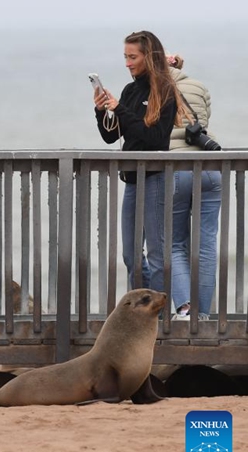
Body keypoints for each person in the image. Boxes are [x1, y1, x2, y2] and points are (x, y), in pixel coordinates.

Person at [93, 31, 183, 294]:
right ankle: (141, 312)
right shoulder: (130, 91)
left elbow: (155, 138)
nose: (127, 63)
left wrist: (120, 109)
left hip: (156, 177)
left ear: (148, 57)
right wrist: (101, 111)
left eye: (133, 57)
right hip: (132, 179)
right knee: (131, 256)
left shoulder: (164, 90)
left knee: (157, 256)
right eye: (125, 57)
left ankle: (158, 319)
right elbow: (111, 136)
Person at [166, 54, 222, 320]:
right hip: (211, 168)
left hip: (178, 169)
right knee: (207, 244)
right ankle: (203, 316)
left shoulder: (155, 88)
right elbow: (205, 118)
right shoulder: (199, 86)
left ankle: (186, 309)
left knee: (174, 243)